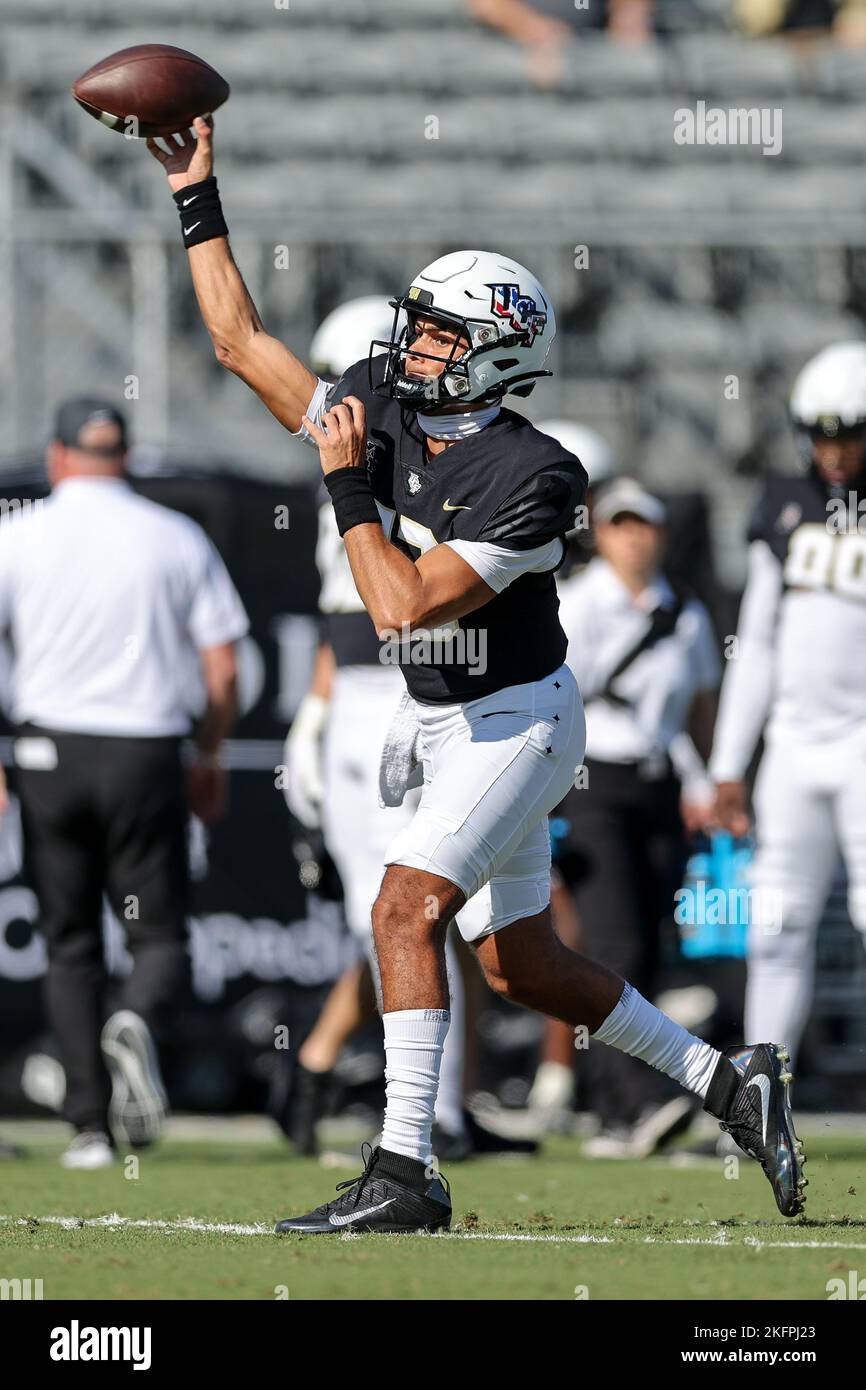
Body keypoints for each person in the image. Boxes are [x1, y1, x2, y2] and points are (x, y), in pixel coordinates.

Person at [145, 115, 806, 1231]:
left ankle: (405, 1168)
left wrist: (347, 486)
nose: (410, 348)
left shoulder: (534, 475)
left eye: (436, 335)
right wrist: (194, 195)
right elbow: (240, 345)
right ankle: (727, 1082)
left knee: (402, 907)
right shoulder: (392, 403)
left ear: (494, 350)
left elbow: (399, 605)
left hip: (516, 722)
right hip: (446, 715)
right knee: (524, 968)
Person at [282, 297, 532, 1160]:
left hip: (433, 690)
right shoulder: (368, 440)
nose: (401, 361)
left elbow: (394, 603)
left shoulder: (484, 463)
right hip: (386, 689)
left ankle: (397, 1109)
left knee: (438, 922)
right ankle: (415, 1122)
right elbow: (364, 607)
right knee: (410, 915)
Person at [0, 399, 248, 1168]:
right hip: (146, 752)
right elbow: (224, 669)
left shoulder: (19, 533)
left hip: (50, 752)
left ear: (58, 457)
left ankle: (88, 1129)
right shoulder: (173, 535)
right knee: (159, 932)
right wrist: (209, 755)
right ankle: (136, 1016)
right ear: (127, 455)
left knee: (71, 943)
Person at [710, 341, 866, 1068]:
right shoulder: (783, 500)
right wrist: (730, 765)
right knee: (775, 926)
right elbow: (758, 642)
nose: (833, 451)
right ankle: (760, 1097)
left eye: (849, 433)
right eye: (822, 433)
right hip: (796, 741)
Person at [556, 477, 721, 1157]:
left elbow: (699, 706)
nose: (632, 537)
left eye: (643, 524)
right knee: (611, 942)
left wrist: (707, 780)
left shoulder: (685, 612)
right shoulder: (579, 600)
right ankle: (632, 1101)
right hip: (594, 779)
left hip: (657, 783)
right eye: (619, 524)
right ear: (600, 533)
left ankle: (625, 1106)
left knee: (650, 945)